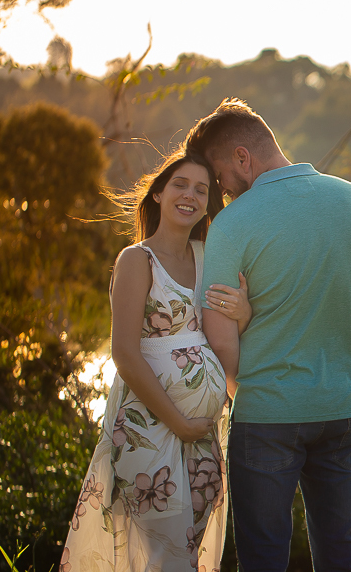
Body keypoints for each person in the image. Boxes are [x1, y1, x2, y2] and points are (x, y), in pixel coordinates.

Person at [186, 98, 351, 572]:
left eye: (220, 178)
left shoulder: (233, 224)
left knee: (262, 562)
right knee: (343, 558)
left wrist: (244, 390)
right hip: (347, 408)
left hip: (266, 416)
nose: (221, 192)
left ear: (243, 158)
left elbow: (220, 339)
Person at [62, 150, 249, 572]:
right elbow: (125, 355)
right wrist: (177, 423)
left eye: (202, 190)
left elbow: (228, 330)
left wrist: (245, 314)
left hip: (203, 436)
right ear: (159, 193)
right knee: (164, 555)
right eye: (181, 184)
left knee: (187, 547)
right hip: (148, 429)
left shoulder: (208, 255)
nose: (191, 195)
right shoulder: (137, 260)